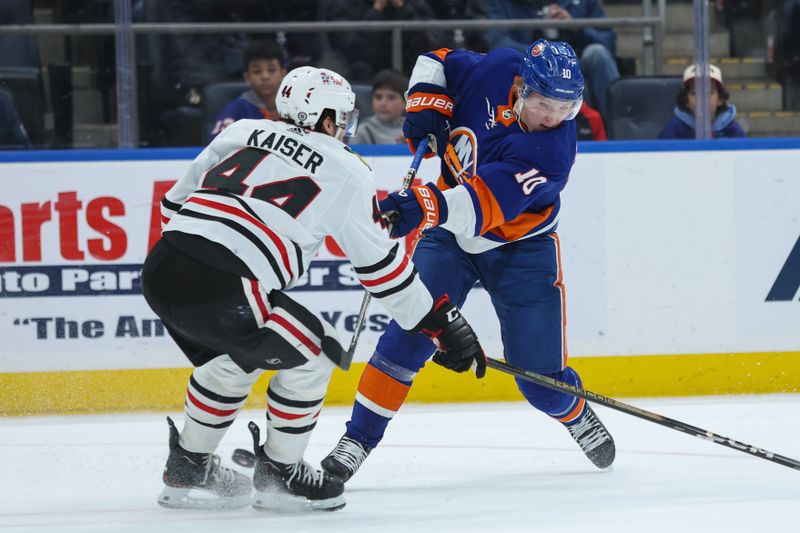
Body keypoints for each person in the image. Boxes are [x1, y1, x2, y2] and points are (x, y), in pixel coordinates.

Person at [141, 66, 485, 512]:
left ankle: (189, 466)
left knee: (237, 357)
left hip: (163, 268)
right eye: (340, 119)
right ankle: (280, 473)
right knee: (317, 352)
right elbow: (381, 271)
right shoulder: (346, 169)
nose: (343, 129)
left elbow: (173, 203)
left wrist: (206, 258)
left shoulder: (242, 130)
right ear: (325, 119)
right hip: (226, 283)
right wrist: (439, 321)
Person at [321, 39, 616, 483]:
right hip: (449, 240)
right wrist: (425, 105)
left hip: (521, 249)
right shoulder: (497, 68)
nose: (553, 118)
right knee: (407, 341)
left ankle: (574, 412)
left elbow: (481, 206)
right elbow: (436, 61)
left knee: (540, 384)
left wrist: (423, 204)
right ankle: (357, 440)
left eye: (566, 108)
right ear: (520, 88)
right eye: (543, 104)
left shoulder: (553, 151)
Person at [485, 0, 620, 117]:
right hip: (531, 71)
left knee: (598, 53)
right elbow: (498, 43)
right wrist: (541, 53)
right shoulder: (503, 2)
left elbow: (609, 42)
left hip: (577, 65)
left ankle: (619, 126)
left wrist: (578, 27)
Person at [208, 40, 288, 142]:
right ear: (247, 77)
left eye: (271, 70)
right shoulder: (237, 109)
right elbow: (216, 143)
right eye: (257, 71)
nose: (265, 76)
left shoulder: (296, 108)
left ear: (283, 74)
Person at [658, 64, 746, 139]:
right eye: (695, 93)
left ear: (720, 99)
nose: (702, 99)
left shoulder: (733, 131)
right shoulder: (674, 130)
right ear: (686, 101)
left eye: (709, 92)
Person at [349, 69, 407, 145]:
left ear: (405, 103)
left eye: (391, 98)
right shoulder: (364, 131)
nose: (383, 104)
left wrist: (412, 144)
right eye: (378, 97)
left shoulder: (414, 130)